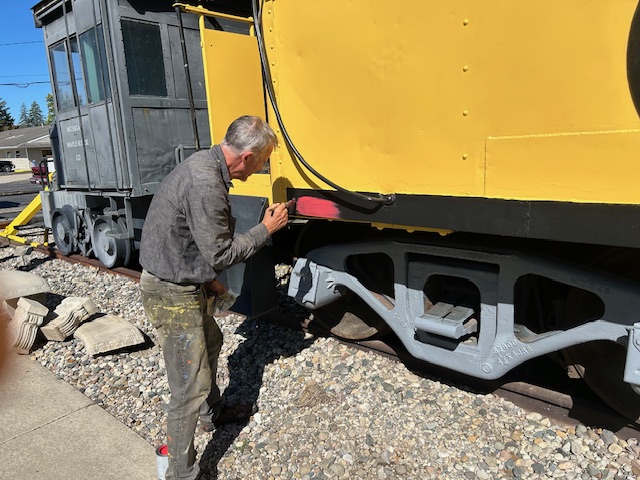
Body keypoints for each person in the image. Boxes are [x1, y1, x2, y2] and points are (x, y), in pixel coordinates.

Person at [139, 115, 289, 480]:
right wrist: (265, 230)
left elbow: (190, 240)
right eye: (263, 161)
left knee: (213, 339)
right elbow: (220, 254)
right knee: (189, 387)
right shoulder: (206, 183)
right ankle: (181, 473)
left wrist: (209, 283)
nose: (260, 169)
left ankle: (213, 415)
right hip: (171, 291)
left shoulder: (204, 164)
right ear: (248, 156)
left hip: (182, 279)